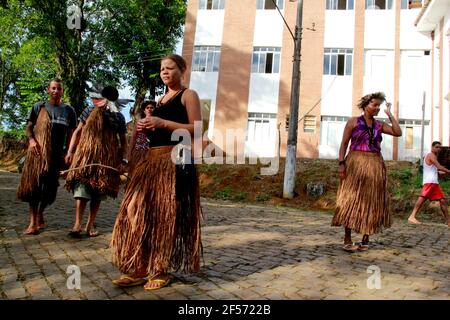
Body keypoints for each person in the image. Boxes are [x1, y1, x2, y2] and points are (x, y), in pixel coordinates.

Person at [111, 54, 202, 290]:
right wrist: (146, 126)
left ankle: (160, 269)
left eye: (169, 68)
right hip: (151, 161)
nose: (164, 72)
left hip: (175, 160)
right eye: (162, 69)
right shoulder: (159, 101)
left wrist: (163, 124)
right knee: (134, 209)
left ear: (182, 70)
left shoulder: (188, 95)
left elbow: (198, 129)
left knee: (164, 215)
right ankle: (140, 267)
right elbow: (156, 132)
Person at [331, 92, 402, 252]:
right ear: (365, 105)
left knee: (371, 201)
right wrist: (341, 164)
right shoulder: (353, 122)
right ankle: (347, 238)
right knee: (350, 199)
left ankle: (365, 238)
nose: (377, 108)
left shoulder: (379, 125)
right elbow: (343, 144)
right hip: (355, 163)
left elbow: (398, 132)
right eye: (374, 105)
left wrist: (390, 115)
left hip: (375, 164)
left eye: (379, 105)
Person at [64, 86, 127, 238]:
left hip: (106, 158)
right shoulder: (88, 110)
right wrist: (70, 151)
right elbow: (78, 131)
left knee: (98, 191)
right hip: (86, 156)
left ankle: (89, 226)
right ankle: (77, 224)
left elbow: (123, 141)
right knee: (81, 187)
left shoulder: (118, 117)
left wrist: (122, 160)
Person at [17, 79, 77, 235]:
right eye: (53, 88)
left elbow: (72, 133)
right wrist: (31, 141)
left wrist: (69, 152)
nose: (56, 91)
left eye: (59, 89)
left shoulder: (69, 110)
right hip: (37, 154)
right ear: (48, 90)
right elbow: (29, 127)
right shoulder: (39, 107)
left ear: (62, 91)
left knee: (51, 190)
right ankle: (32, 223)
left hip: (56, 156)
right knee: (34, 186)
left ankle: (40, 212)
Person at [408, 141, 450, 226]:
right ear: (432, 147)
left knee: (442, 200)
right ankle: (412, 216)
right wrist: (449, 171)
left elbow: (434, 170)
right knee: (422, 198)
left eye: (439, 147)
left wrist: (442, 173)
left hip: (433, 182)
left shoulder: (433, 157)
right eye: (437, 147)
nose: (438, 149)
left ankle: (448, 221)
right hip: (430, 182)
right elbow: (438, 166)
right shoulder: (431, 155)